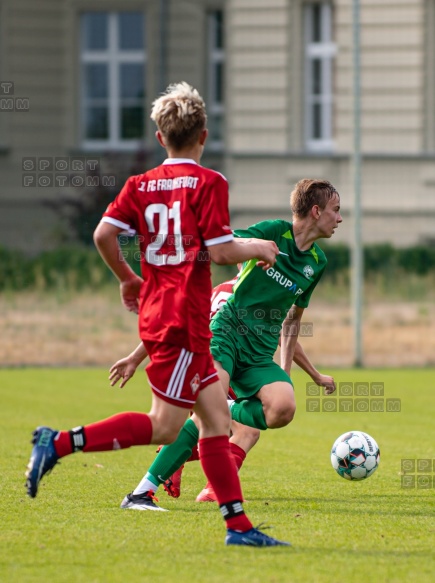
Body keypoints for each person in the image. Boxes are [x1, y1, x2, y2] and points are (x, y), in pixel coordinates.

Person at [25, 81, 291, 547]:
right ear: (204, 134)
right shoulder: (210, 183)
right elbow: (224, 251)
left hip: (162, 316)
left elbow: (103, 236)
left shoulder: (139, 185)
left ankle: (239, 527)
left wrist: (128, 278)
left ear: (159, 138)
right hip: (183, 322)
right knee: (164, 426)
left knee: (214, 422)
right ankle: (59, 442)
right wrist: (259, 247)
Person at [115, 178, 342, 511]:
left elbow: (292, 321)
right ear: (316, 211)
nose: (339, 219)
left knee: (283, 409)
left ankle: (218, 414)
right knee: (213, 414)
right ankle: (140, 493)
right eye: (336, 211)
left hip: (260, 352)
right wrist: (255, 248)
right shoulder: (274, 231)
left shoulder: (317, 263)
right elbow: (221, 243)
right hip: (227, 334)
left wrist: (283, 375)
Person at [109, 274, 336, 505]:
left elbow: (174, 322)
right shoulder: (255, 295)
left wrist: (134, 358)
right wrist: (314, 375)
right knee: (246, 430)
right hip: (218, 360)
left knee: (213, 423)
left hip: (191, 363)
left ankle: (173, 463)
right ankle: (210, 487)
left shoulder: (216, 290)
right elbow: (284, 335)